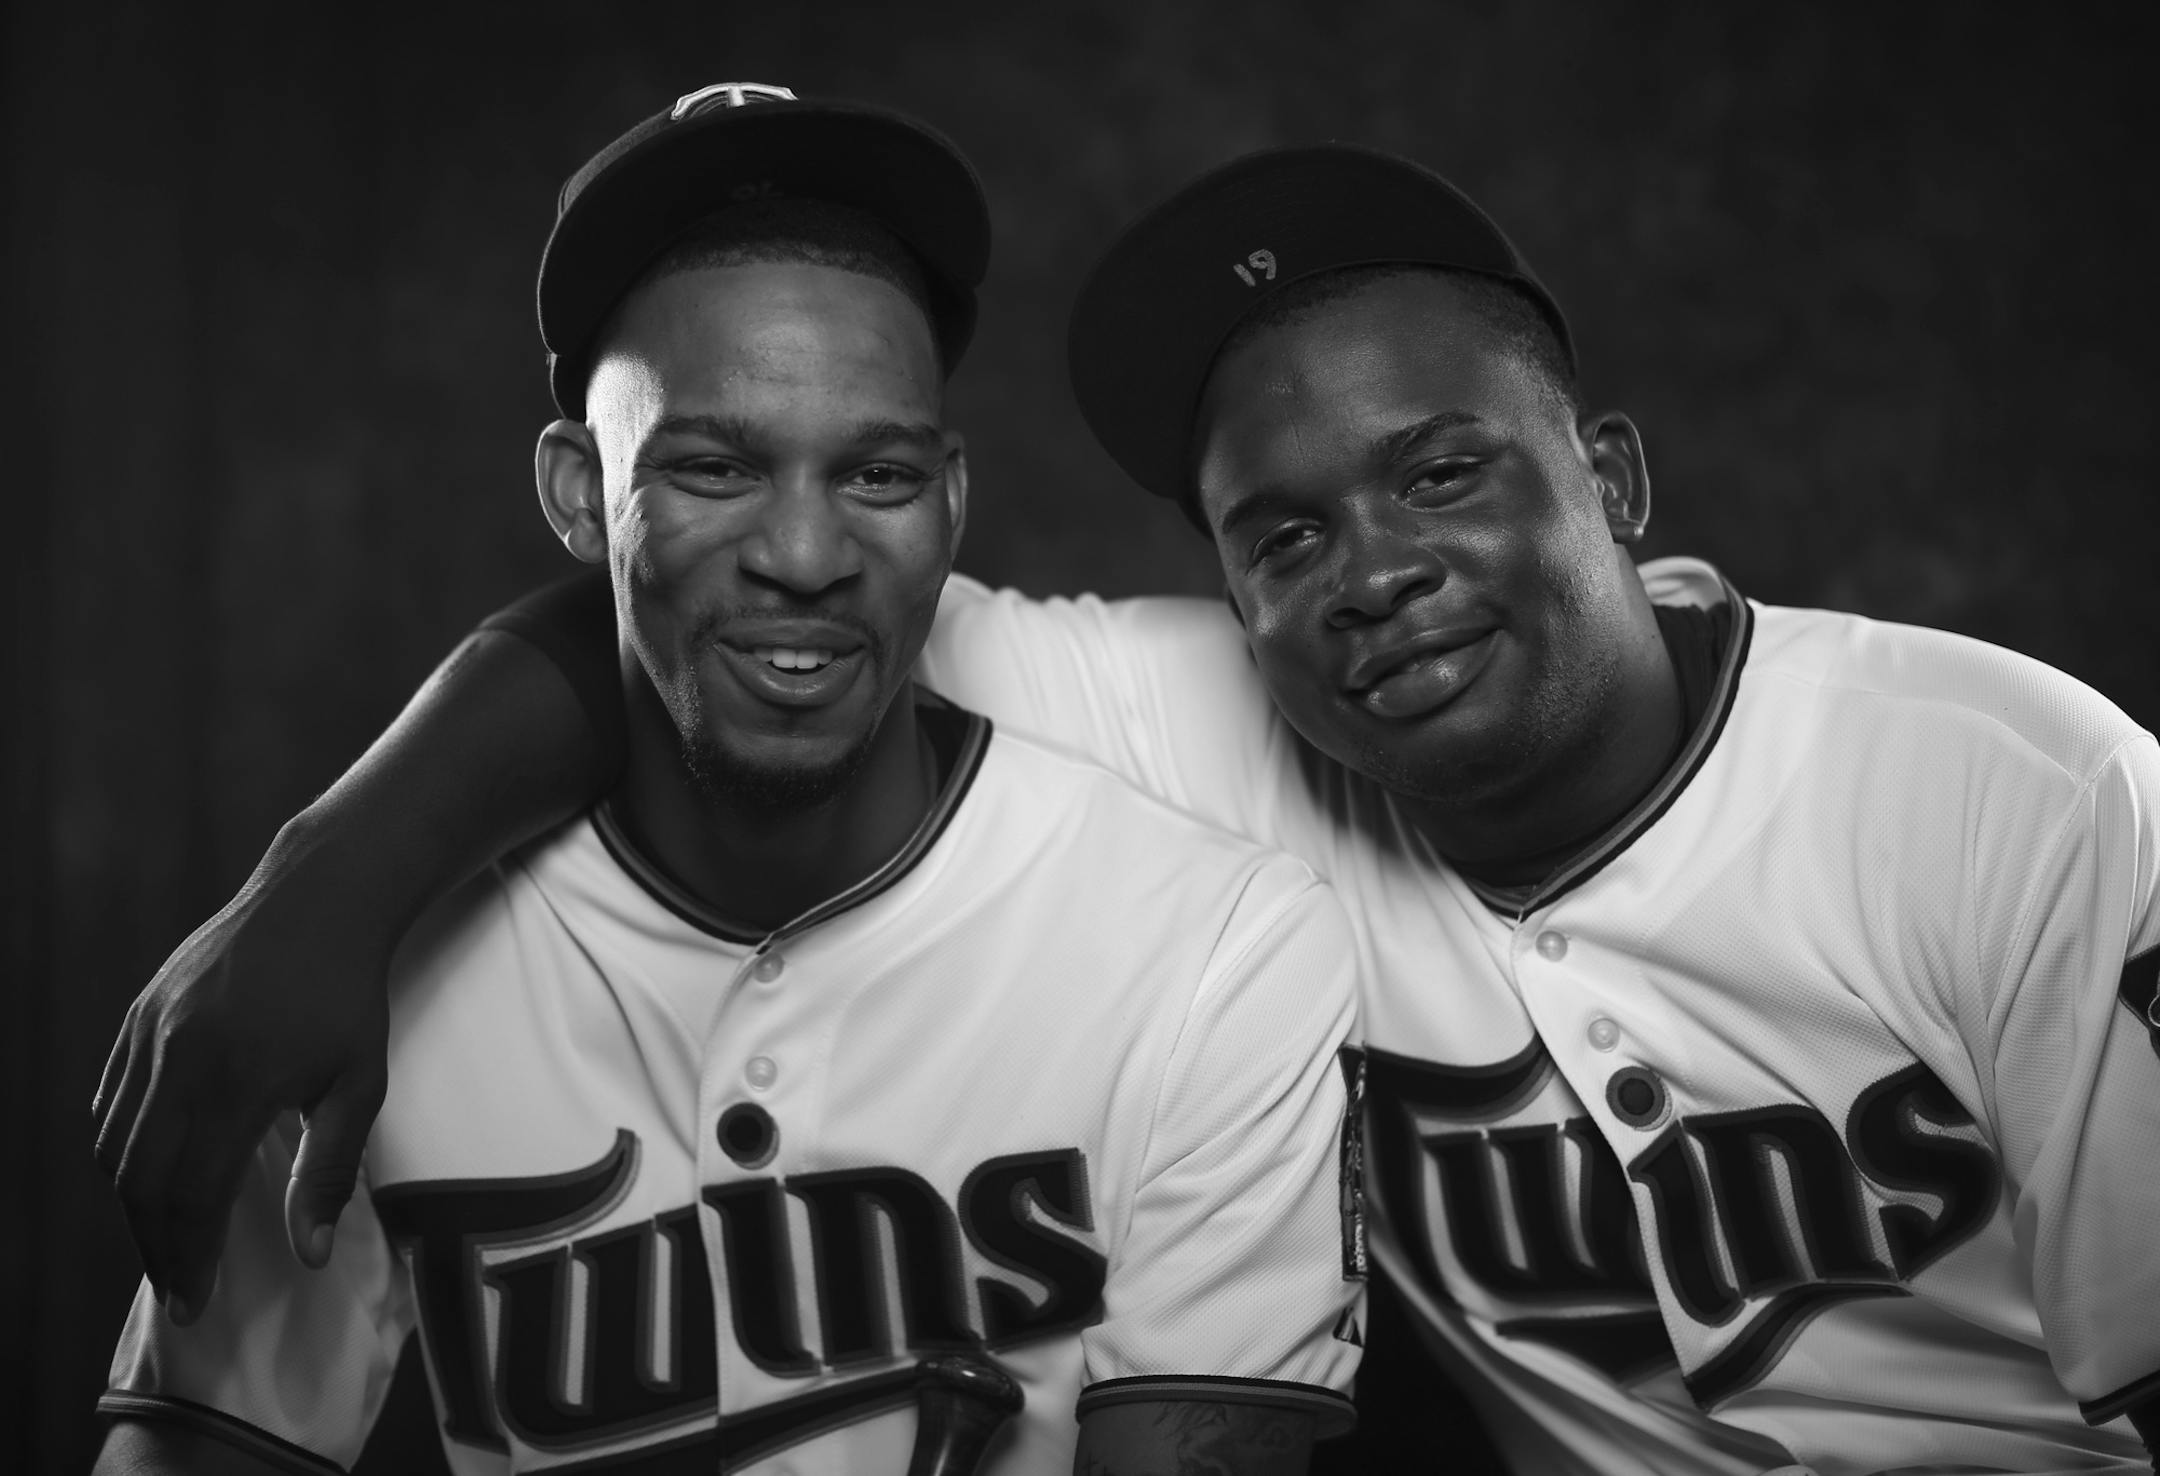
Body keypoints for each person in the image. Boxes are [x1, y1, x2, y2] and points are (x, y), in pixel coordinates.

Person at [94, 134, 2160, 1473]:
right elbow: (730, 616)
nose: (1372, 573)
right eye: (1281, 532)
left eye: (1446, 470)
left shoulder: (2007, 790)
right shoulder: (1228, 720)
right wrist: (329, 886)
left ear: (1611, 482)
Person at [89, 85, 1369, 1476]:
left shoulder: (1215, 941)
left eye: (874, 474)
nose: (805, 554)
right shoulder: (355, 979)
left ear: (951, 499)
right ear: (581, 493)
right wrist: (327, 891)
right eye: (713, 466)